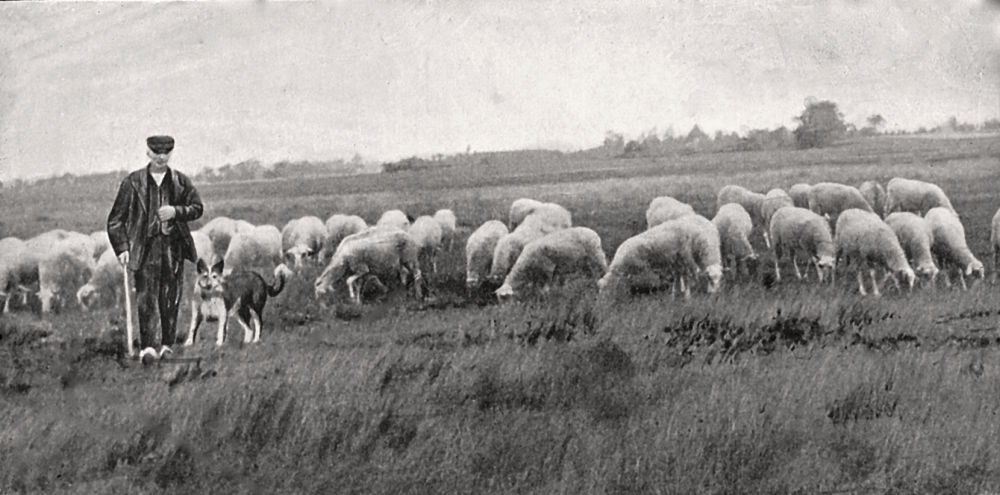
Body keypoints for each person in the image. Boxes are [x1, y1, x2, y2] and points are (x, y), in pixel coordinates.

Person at [108, 135, 203, 363]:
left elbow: (197, 208)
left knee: (171, 296)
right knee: (146, 297)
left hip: (173, 247)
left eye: (166, 153)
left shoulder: (180, 181)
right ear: (148, 153)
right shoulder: (133, 182)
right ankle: (148, 347)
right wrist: (122, 247)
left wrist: (176, 212)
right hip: (145, 247)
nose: (162, 157)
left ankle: (167, 345)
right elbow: (115, 220)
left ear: (171, 154)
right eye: (157, 153)